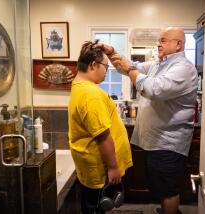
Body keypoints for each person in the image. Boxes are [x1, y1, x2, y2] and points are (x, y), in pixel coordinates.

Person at [96, 27, 198, 214]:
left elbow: (152, 89)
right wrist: (111, 53)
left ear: (178, 45)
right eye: (159, 40)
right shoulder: (158, 65)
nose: (159, 43)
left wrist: (130, 69)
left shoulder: (183, 69)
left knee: (168, 190)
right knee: (160, 185)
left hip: (169, 143)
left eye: (164, 40)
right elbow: (126, 68)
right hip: (156, 142)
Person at [68, 40, 133, 214]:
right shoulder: (91, 94)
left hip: (91, 164)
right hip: (100, 167)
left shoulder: (79, 86)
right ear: (93, 65)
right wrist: (113, 167)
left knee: (91, 205)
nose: (107, 71)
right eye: (105, 66)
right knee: (96, 208)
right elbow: (103, 136)